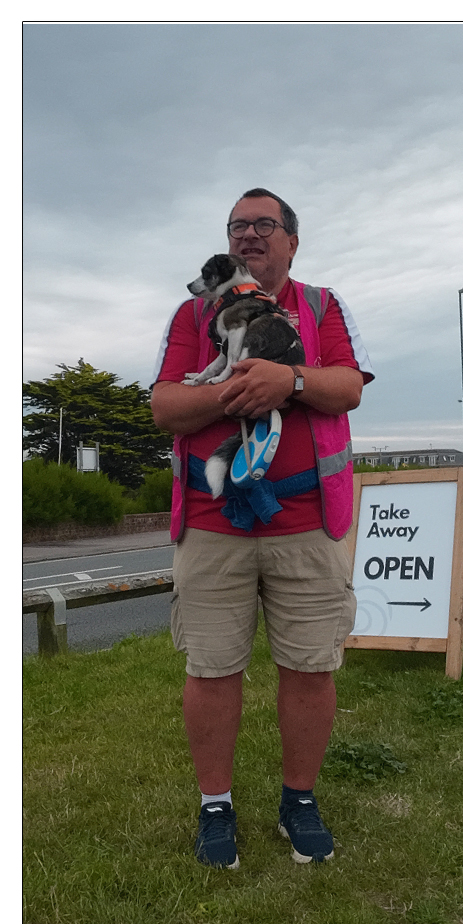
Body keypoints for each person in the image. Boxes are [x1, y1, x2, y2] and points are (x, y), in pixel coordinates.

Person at [151, 188, 375, 869]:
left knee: (310, 667)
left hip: (307, 523)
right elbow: (164, 404)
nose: (249, 235)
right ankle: (215, 806)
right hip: (214, 524)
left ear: (291, 241)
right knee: (212, 669)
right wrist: (229, 391)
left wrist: (289, 381)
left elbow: (349, 386)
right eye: (237, 226)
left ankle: (298, 801)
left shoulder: (323, 306)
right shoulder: (194, 314)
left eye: (264, 225)